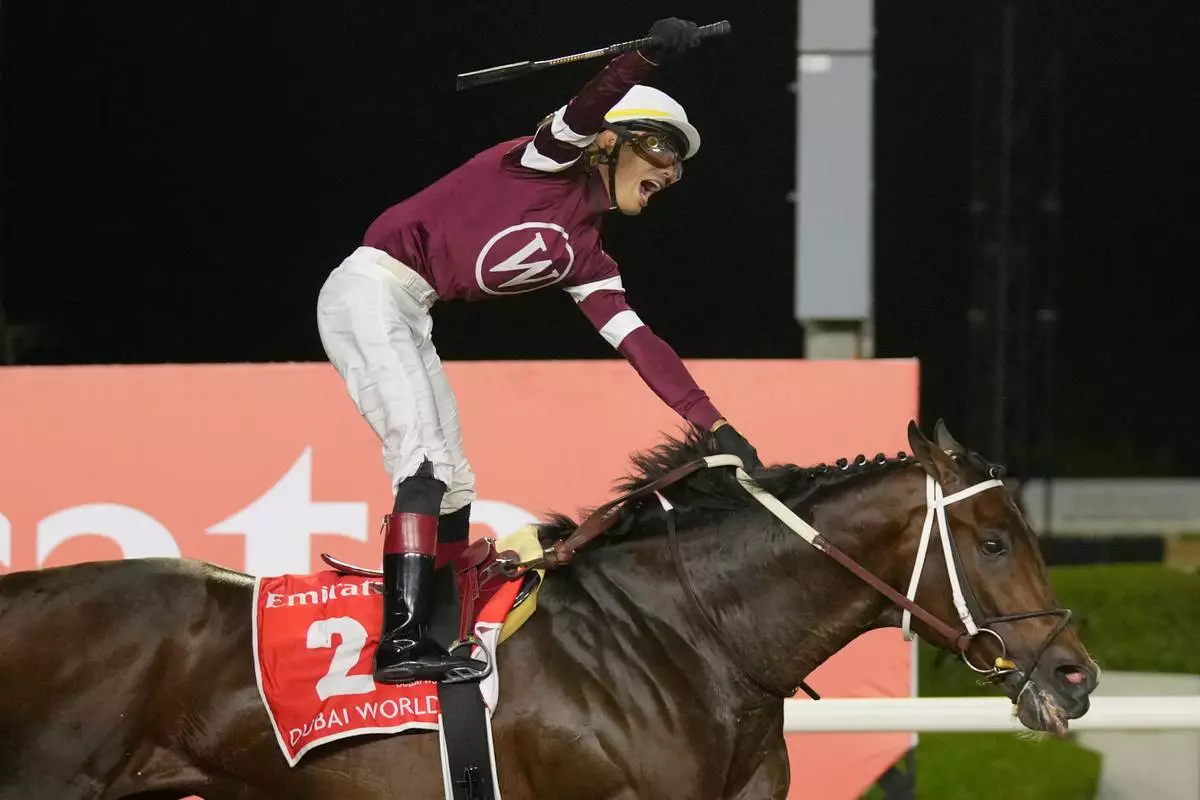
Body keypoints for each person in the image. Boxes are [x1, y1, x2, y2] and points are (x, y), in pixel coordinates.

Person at [316, 17, 763, 686]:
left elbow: (642, 344)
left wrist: (716, 426)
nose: (673, 173)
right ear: (610, 142)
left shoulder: (588, 256)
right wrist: (644, 56)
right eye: (664, 152)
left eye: (678, 164)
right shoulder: (543, 162)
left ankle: (441, 623)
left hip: (410, 312)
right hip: (368, 289)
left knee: (455, 481)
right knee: (423, 463)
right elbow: (588, 104)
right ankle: (400, 644)